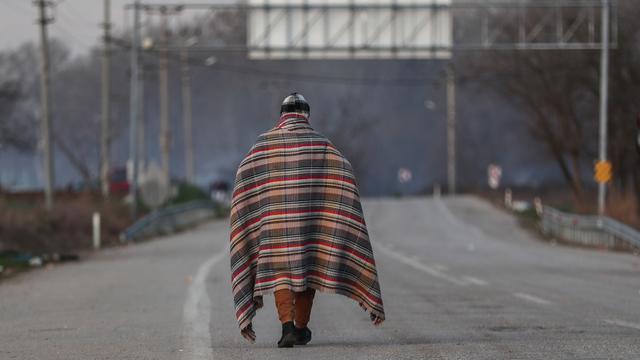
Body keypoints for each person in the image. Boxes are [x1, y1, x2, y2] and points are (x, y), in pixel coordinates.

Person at [229, 93, 385, 347]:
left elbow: (244, 182)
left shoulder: (261, 147)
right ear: (306, 115)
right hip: (310, 229)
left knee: (280, 274)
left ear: (281, 114)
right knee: (306, 272)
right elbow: (343, 173)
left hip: (274, 230)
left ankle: (287, 328)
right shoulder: (322, 145)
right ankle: (300, 327)